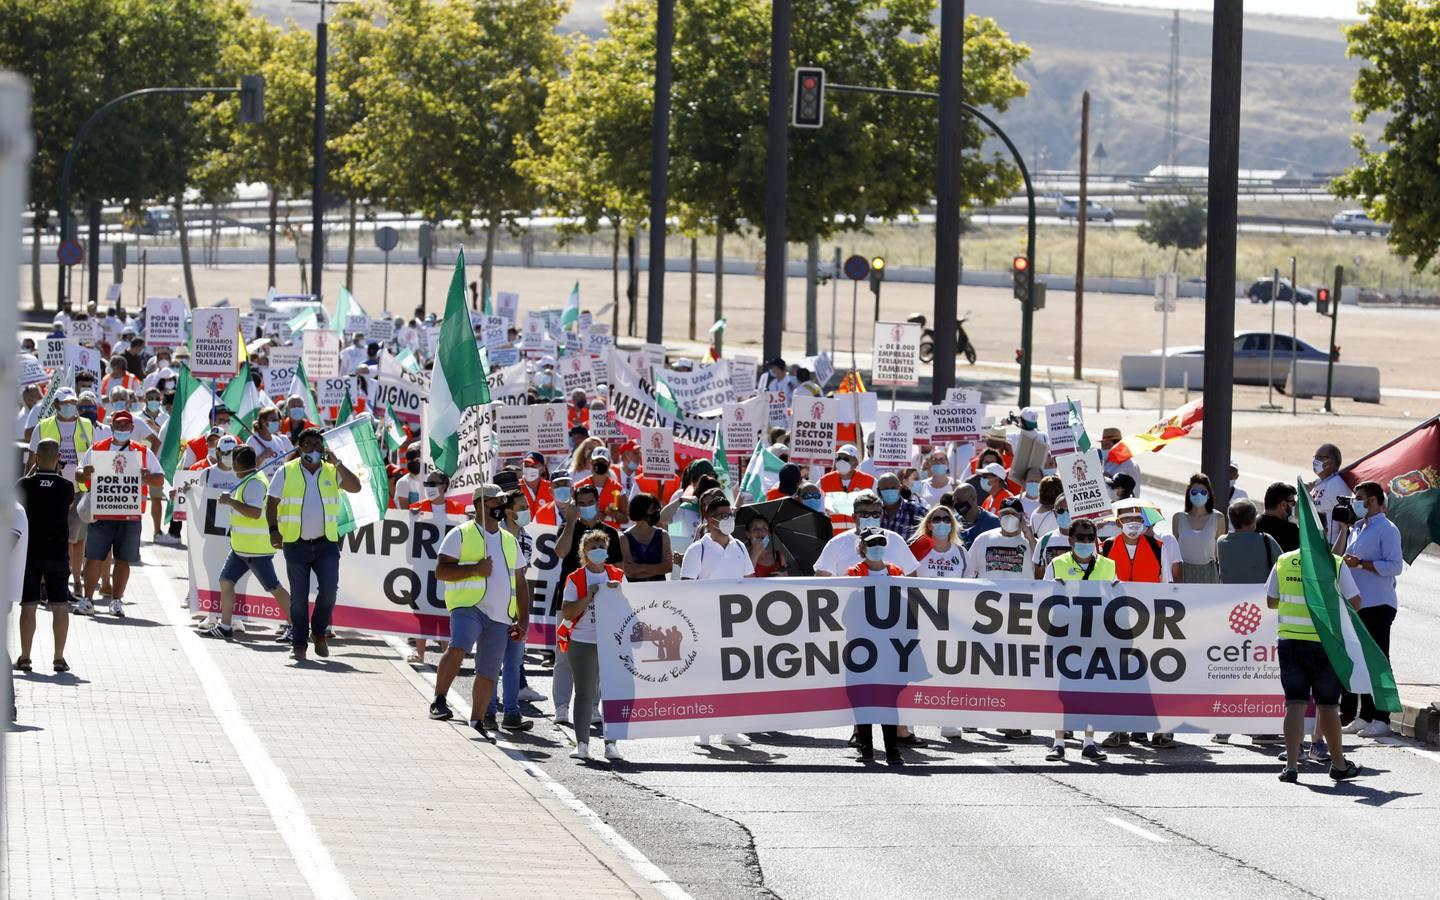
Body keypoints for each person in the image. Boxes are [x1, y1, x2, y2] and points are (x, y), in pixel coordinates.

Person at [430, 484, 529, 741]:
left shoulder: (509, 540)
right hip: (468, 605)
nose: (499, 506)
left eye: (501, 502)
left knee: (488, 670)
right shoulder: (460, 534)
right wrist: (475, 568)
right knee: (459, 647)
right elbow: (442, 571)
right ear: (479, 505)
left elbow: (520, 582)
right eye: (494, 502)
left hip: (500, 615)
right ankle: (439, 700)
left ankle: (477, 720)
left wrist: (524, 620)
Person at [1267, 542, 1363, 783]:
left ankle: (1291, 766)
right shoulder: (1335, 563)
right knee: (1329, 706)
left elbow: (1271, 600)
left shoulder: (1284, 560)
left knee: (1294, 705)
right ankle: (1339, 764)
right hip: (1325, 644)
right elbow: (1356, 602)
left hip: (1290, 642)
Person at [265, 427, 363, 661]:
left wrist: (337, 463)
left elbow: (356, 487)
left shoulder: (331, 471)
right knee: (298, 597)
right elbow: (271, 502)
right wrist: (273, 530)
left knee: (329, 591)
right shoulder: (286, 472)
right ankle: (299, 642)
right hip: (295, 544)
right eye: (308, 445)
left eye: (318, 445)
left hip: (326, 544)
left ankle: (319, 632)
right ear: (300, 448)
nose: (314, 449)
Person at [681, 490, 753, 747]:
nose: (727, 518)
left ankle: (730, 729)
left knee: (733, 676)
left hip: (735, 622)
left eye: (729, 514)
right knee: (707, 677)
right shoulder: (697, 549)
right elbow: (686, 587)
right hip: (706, 623)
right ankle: (703, 729)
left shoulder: (740, 546)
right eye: (721, 515)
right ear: (709, 520)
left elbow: (749, 582)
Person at [1333, 481, 1404, 738]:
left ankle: (1382, 718)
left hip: (1378, 603)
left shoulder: (1387, 529)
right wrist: (1343, 528)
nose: (1355, 502)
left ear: (1373, 500)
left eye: (1359, 498)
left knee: (1378, 659)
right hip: (1357, 603)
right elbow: (1338, 557)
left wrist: (1363, 564)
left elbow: (1395, 566)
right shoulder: (1358, 528)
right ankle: (1364, 715)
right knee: (1359, 660)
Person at [76, 411, 165, 617]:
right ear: (112, 425)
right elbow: (80, 472)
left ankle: (116, 600)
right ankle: (87, 600)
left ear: (132, 429)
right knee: (93, 558)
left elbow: (159, 479)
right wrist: (85, 472)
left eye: (126, 426)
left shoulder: (142, 452)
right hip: (102, 514)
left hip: (129, 517)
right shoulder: (98, 448)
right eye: (119, 425)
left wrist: (148, 477)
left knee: (123, 559)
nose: (122, 429)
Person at [1100, 500, 1173, 749]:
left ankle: (1161, 730)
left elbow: (1167, 582)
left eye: (1138, 520)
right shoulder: (1107, 546)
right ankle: (1118, 729)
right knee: (1119, 676)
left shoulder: (1157, 546)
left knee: (1154, 675)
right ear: (1118, 523)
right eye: (1128, 520)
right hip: (1116, 621)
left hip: (1150, 620)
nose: (1134, 524)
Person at [203, 447, 292, 640]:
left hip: (255, 550)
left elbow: (254, 512)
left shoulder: (254, 483)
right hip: (241, 548)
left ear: (235, 464)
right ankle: (225, 626)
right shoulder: (250, 480)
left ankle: (297, 626)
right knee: (226, 581)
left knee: (273, 587)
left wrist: (230, 502)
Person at [1041, 517, 1110, 762]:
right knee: (1063, 692)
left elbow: (1116, 599)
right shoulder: (1057, 564)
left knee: (1091, 691)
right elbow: (1042, 597)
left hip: (1094, 636)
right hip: (1063, 636)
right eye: (1080, 538)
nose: (1085, 542)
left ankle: (1089, 742)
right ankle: (1058, 742)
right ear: (1070, 540)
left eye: (1090, 538)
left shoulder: (1108, 566)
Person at [558, 530, 626, 761]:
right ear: (584, 552)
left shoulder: (617, 574)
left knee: (612, 694)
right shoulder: (575, 578)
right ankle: (582, 744)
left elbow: (630, 609)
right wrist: (587, 597)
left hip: (611, 643)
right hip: (583, 640)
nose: (598, 549)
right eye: (592, 546)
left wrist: (618, 595)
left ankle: (611, 744)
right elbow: (567, 612)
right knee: (585, 693)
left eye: (601, 545)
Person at [16, 440, 75, 674]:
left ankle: (26, 657)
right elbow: (66, 505)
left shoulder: (24, 484)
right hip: (57, 555)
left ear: (36, 458)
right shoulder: (66, 487)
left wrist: (32, 473)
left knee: (28, 605)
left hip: (30, 554)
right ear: (58, 457)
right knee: (60, 606)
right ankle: (58, 658)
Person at [846, 529, 904, 766]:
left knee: (888, 698)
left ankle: (892, 750)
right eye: (872, 543)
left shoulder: (896, 572)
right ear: (863, 547)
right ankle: (866, 748)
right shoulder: (854, 573)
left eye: (881, 542)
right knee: (863, 696)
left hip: (889, 645)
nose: (877, 546)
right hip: (860, 644)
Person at [484, 485, 539, 733]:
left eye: (527, 507)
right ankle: (487, 710)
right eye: (521, 508)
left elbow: (520, 574)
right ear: (507, 511)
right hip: (492, 605)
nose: (526, 511)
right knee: (491, 660)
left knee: (513, 661)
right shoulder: (492, 534)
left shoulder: (526, 538)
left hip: (514, 607)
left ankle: (511, 713)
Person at [30, 387, 94, 597]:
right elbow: (33, 459)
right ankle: (46, 583)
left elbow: (94, 455)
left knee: (75, 541)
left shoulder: (87, 426)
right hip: (50, 492)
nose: (70, 406)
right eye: (65, 403)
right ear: (56, 405)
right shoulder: (43, 426)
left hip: (78, 490)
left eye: (73, 402)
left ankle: (74, 583)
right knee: (50, 538)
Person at [814, 490, 916, 576]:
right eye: (864, 514)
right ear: (854, 517)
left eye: (875, 514)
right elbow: (820, 580)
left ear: (881, 516)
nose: (870, 518)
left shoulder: (896, 540)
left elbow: (912, 577)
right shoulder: (836, 544)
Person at [1171, 473, 1226, 583]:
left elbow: (1220, 554)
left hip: (1208, 573)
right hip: (1183, 573)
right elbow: (1175, 550)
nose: (1199, 495)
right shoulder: (1178, 518)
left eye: (1203, 492)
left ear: (1209, 495)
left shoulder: (1218, 518)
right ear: (1189, 494)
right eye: (1194, 492)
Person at [1218, 500, 1283, 586]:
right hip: (1260, 596)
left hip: (1231, 596)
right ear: (1253, 518)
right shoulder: (1266, 539)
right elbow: (1283, 564)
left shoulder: (1221, 542)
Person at [968, 498, 1033, 579]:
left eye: (1013, 514)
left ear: (1022, 516)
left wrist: (1031, 539)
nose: (1009, 517)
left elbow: (1041, 568)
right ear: (999, 516)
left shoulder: (1030, 542)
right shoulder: (983, 539)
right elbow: (968, 571)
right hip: (989, 591)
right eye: (1005, 513)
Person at [818, 444, 875, 531]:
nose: (841, 461)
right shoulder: (824, 481)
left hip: (859, 537)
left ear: (855, 462)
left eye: (846, 459)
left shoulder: (870, 482)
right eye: (838, 458)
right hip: (832, 537)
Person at [909, 505, 971, 581]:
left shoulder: (961, 552)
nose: (942, 522)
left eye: (946, 519)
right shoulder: (918, 548)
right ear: (929, 526)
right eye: (937, 519)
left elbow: (969, 583)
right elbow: (907, 580)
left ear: (951, 525)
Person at [619, 493, 672, 582]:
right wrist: (656, 569)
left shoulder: (663, 535)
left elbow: (668, 567)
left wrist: (641, 568)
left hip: (659, 589)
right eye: (653, 509)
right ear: (641, 511)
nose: (657, 512)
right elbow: (629, 571)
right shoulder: (624, 538)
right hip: (635, 590)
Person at [577, 446, 627, 528]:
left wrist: (614, 514)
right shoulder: (579, 486)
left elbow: (625, 519)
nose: (600, 463)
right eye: (597, 460)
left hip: (610, 534)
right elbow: (571, 513)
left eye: (603, 461)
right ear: (591, 462)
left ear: (609, 464)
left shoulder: (618, 489)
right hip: (585, 532)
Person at [1309, 443, 1349, 542]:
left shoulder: (1337, 483)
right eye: (1315, 457)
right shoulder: (1316, 484)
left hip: (1330, 544)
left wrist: (1339, 551)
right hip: (1315, 543)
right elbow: (1298, 515)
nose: (1315, 461)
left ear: (1331, 461)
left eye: (1319, 457)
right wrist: (1303, 493)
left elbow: (1343, 520)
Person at [875, 471, 927, 538]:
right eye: (885, 489)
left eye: (893, 488)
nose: (890, 491)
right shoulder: (874, 513)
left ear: (900, 488)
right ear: (878, 491)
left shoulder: (916, 511)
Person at [1031, 497, 1073, 578]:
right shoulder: (1044, 540)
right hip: (1052, 590)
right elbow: (1039, 578)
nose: (1065, 514)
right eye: (1061, 511)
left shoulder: (1088, 539)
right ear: (1054, 513)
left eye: (1069, 510)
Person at [952, 484, 1000, 550]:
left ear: (972, 499)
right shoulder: (952, 521)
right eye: (954, 501)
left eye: (959, 500)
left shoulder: (993, 523)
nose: (956, 504)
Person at [1257, 482, 1300, 552]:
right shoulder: (1291, 530)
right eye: (1293, 503)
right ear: (1283, 505)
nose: (1294, 506)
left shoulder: (1253, 524)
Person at [1100, 427, 1142, 493]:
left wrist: (1108, 477)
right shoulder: (1106, 462)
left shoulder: (1129, 464)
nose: (1104, 448)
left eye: (1106, 445)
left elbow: (1125, 487)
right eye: (1102, 446)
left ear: (1117, 445)